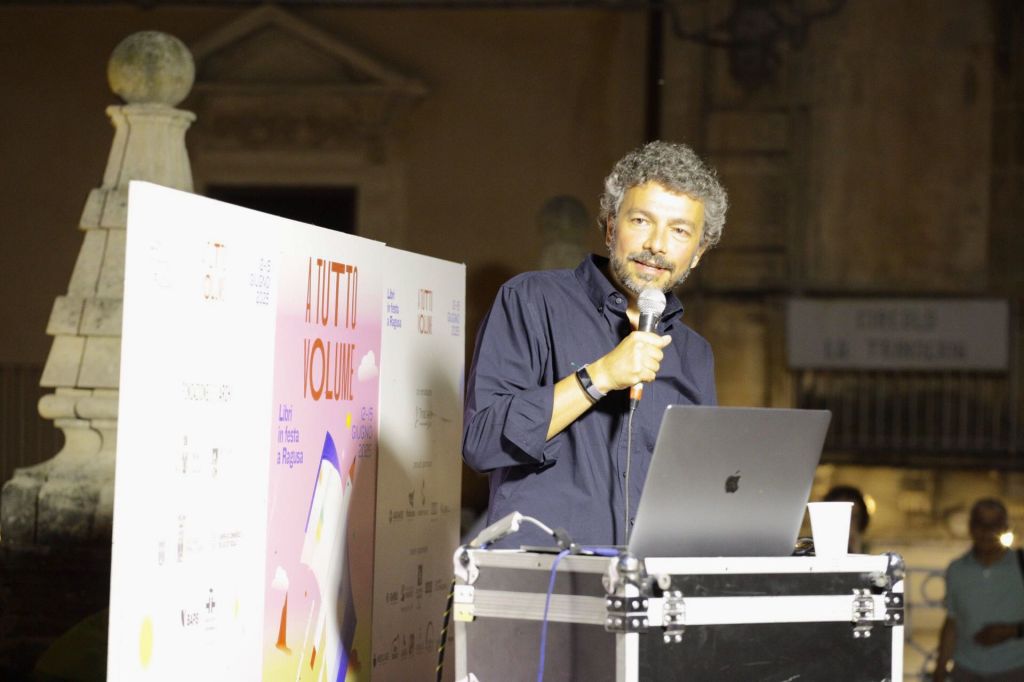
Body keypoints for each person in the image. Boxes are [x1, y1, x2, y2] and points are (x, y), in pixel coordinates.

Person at [462, 141, 727, 548]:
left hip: (646, 577)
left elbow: (697, 489)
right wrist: (600, 376)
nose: (657, 245)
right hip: (543, 573)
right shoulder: (531, 300)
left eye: (679, 231)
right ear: (610, 227)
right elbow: (481, 443)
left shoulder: (694, 354)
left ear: (697, 254)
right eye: (641, 220)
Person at [933, 498, 1024, 681]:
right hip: (966, 670)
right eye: (980, 524)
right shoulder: (956, 570)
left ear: (1006, 527)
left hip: (1015, 668)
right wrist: (940, 668)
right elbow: (952, 621)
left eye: (994, 525)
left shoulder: (1021, 564)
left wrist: (1012, 631)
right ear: (971, 527)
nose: (987, 531)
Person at [823, 484, 870, 553]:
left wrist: (856, 551)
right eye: (839, 517)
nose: (847, 524)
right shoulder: (810, 550)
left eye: (853, 517)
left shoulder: (869, 552)